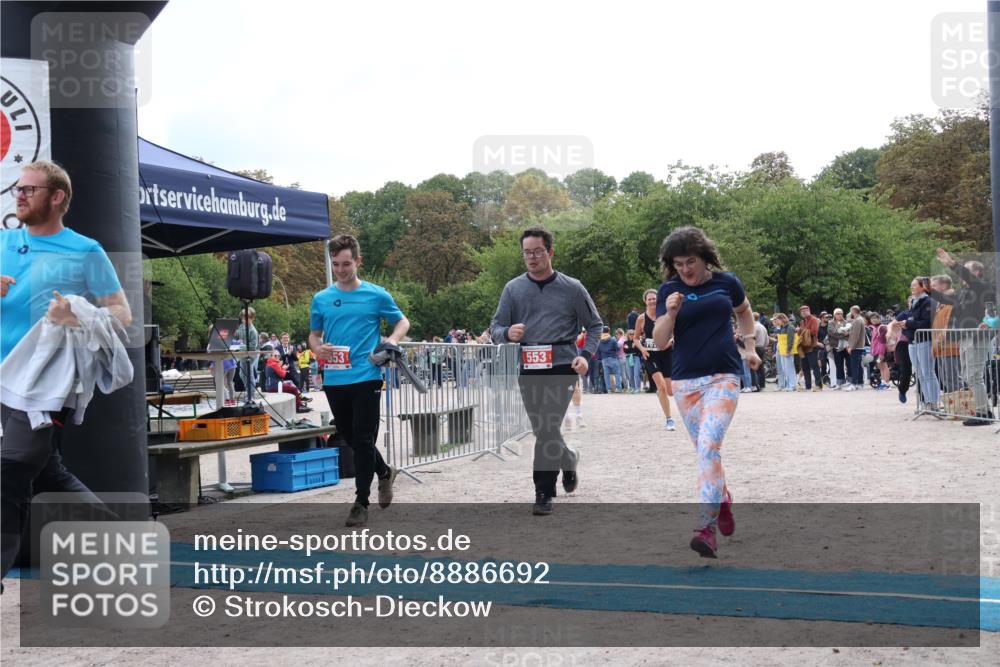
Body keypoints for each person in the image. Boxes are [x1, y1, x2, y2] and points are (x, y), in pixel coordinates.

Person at [1, 161, 133, 581]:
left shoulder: (84, 250)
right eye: (17, 189)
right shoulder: (2, 242)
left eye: (29, 190)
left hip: (48, 387)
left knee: (11, 469)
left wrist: (77, 316)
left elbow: (122, 313)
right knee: (47, 472)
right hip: (3, 380)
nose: (18, 196)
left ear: (57, 197)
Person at [652, 226, 761, 558]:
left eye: (691, 262)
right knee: (705, 452)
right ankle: (722, 499)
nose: (685, 269)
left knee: (709, 444)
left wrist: (750, 346)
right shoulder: (668, 290)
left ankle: (705, 527)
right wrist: (670, 312)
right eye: (679, 263)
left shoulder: (727, 282)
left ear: (704, 258)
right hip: (685, 384)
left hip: (724, 377)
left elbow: (744, 312)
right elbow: (659, 341)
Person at [490, 226, 602, 516]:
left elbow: (594, 326)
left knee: (548, 425)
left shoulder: (572, 287)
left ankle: (542, 492)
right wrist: (507, 333)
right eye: (527, 252)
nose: (532, 257)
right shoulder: (513, 288)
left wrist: (586, 356)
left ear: (550, 252)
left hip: (563, 363)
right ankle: (567, 459)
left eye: (538, 251)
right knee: (542, 427)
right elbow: (495, 327)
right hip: (529, 364)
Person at [309, 234, 410, 527]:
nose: (341, 269)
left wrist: (391, 339)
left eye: (346, 263)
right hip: (334, 378)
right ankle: (384, 471)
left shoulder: (376, 295)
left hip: (367, 375)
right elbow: (314, 334)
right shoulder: (322, 298)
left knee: (364, 438)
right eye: (336, 264)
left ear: (358, 261)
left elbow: (402, 321)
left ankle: (360, 502)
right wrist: (317, 348)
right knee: (350, 436)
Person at [930, 248, 996, 425]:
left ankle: (983, 413)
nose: (962, 275)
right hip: (964, 337)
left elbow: (969, 278)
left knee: (975, 375)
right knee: (967, 375)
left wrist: (952, 264)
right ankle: (984, 410)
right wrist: (928, 290)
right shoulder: (962, 292)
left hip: (978, 337)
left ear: (976, 273)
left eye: (967, 270)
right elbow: (947, 300)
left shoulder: (982, 287)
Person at [634, 289, 677, 430]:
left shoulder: (665, 315)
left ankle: (662, 393)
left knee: (670, 390)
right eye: (649, 299)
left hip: (666, 353)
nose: (652, 301)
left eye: (654, 298)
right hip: (650, 355)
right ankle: (669, 419)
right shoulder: (641, 318)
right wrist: (642, 349)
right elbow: (635, 338)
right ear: (645, 301)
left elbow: (674, 333)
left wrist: (669, 342)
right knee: (662, 387)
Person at [901, 277, 941, 410]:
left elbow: (926, 323)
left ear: (922, 287)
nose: (912, 288)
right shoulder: (914, 301)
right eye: (911, 286)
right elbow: (911, 318)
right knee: (920, 373)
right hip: (913, 340)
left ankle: (934, 401)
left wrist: (909, 323)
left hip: (924, 340)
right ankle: (927, 401)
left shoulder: (928, 301)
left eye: (914, 286)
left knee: (928, 372)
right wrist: (907, 325)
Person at [797, 305, 823, 391]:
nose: (803, 312)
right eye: (802, 311)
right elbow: (801, 333)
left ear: (809, 311)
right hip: (803, 347)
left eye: (805, 310)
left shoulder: (814, 320)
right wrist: (801, 330)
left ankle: (818, 385)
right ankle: (808, 386)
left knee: (815, 366)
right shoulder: (802, 321)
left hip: (812, 346)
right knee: (805, 367)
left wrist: (801, 330)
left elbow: (813, 331)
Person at [772, 313, 797, 391]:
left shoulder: (789, 327)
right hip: (783, 350)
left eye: (778, 319)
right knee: (785, 368)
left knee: (789, 368)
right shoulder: (783, 327)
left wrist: (788, 350)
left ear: (782, 319)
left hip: (787, 351)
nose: (777, 321)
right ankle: (788, 385)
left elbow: (790, 340)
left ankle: (792, 385)